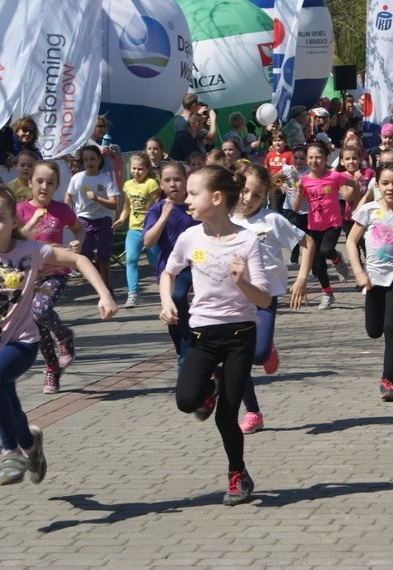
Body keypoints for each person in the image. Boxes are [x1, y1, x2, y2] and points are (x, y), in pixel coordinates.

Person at [0, 183, 117, 485]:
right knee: (6, 400)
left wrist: (104, 294)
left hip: (21, 342)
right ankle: (30, 444)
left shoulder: (30, 251)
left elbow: (78, 260)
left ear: (14, 220)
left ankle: (10, 451)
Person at [158, 165, 270, 506]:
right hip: (203, 335)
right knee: (186, 400)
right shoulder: (190, 238)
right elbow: (169, 271)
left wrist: (242, 283)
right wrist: (166, 302)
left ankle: (238, 474)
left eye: (194, 194)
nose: (186, 199)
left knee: (226, 416)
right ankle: (212, 385)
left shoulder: (247, 240)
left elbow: (264, 300)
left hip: (239, 336)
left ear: (217, 198)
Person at [230, 164, 314, 434]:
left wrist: (301, 278)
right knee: (238, 358)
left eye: (255, 195)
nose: (248, 199)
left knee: (257, 354)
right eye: (244, 191)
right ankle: (253, 412)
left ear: (266, 195)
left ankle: (268, 349)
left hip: (265, 297)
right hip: (234, 299)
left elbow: (308, 243)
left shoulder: (273, 220)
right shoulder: (227, 219)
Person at [347, 161, 393, 401]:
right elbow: (350, 242)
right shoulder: (368, 210)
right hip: (372, 279)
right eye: (385, 183)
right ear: (377, 185)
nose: (391, 188)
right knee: (374, 331)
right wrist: (359, 272)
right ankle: (376, 330)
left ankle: (388, 381)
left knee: (392, 329)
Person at [17, 160, 84, 394]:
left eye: (50, 183)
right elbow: (15, 240)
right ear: (29, 182)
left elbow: (78, 228)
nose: (44, 187)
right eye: (39, 181)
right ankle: (51, 368)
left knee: (41, 311)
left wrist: (77, 243)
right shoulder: (20, 211)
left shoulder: (61, 210)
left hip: (56, 273)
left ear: (56, 186)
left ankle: (64, 335)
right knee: (37, 324)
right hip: (29, 277)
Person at [144, 162, 198, 369]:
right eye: (167, 180)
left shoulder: (194, 206)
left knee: (179, 299)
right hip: (169, 270)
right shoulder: (157, 209)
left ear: (186, 180)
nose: (173, 184)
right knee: (173, 312)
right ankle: (181, 347)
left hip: (194, 266)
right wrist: (164, 216)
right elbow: (148, 241)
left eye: (178, 179)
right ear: (161, 183)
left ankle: (190, 345)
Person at [295, 142, 359, 309]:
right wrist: (298, 192)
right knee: (317, 265)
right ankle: (327, 294)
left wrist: (356, 205)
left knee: (326, 250)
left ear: (325, 158)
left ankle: (337, 259)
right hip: (313, 225)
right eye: (311, 157)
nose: (314, 160)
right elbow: (295, 208)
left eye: (318, 157)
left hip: (333, 223)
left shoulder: (334, 176)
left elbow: (354, 184)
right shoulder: (304, 181)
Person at [64, 145, 120, 286]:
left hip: (103, 220)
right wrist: (67, 213)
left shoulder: (105, 179)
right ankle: (96, 277)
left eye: (93, 159)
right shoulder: (77, 178)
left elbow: (114, 204)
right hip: (84, 219)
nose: (89, 162)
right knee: (84, 255)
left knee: (104, 255)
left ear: (99, 159)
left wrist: (97, 199)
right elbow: (68, 195)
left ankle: (106, 286)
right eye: (86, 160)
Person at [113, 152, 161, 308]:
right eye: (133, 168)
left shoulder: (151, 184)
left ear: (147, 169)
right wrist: (121, 219)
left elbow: (155, 207)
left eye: (140, 169)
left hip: (150, 229)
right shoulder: (128, 185)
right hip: (133, 229)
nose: (136, 172)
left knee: (155, 262)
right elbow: (127, 205)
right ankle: (133, 294)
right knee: (131, 260)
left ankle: (166, 286)